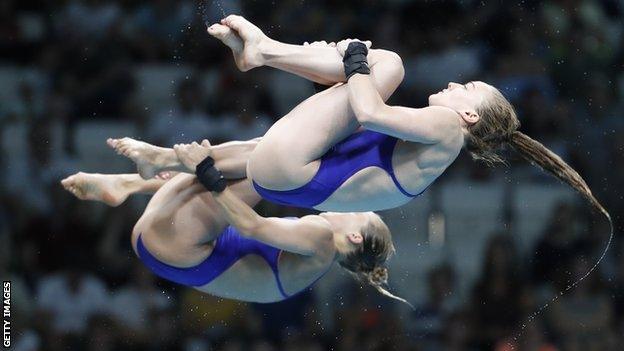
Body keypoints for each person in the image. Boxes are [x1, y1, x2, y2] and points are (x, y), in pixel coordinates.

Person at [107, 15, 610, 230]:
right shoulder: (438, 144)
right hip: (286, 177)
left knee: (386, 64)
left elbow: (368, 110)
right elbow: (358, 126)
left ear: (469, 114)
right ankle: (167, 158)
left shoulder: (446, 128)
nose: (457, 84)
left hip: (293, 172)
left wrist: (352, 58)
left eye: (467, 88)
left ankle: (263, 51)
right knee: (370, 74)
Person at [61, 141, 408, 305]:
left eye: (364, 210)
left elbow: (251, 227)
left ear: (354, 236)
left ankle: (142, 173)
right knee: (263, 161)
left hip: (175, 247)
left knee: (263, 169)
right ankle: (128, 183)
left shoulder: (321, 239)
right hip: (168, 246)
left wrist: (206, 170)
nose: (355, 204)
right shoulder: (317, 252)